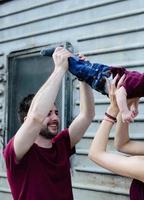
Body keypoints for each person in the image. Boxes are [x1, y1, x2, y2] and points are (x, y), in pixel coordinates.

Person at [3, 47, 95, 200]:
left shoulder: (63, 143)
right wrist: (59, 69)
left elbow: (87, 115)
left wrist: (83, 77)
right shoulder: (16, 151)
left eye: (56, 113)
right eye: (48, 113)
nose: (55, 118)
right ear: (26, 122)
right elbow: (35, 118)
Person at [41, 47, 144, 123]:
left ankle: (70, 56)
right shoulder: (137, 80)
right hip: (100, 75)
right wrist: (124, 112)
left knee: (81, 68)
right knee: (77, 68)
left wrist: (134, 107)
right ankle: (59, 51)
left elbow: (136, 95)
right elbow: (120, 93)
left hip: (100, 80)